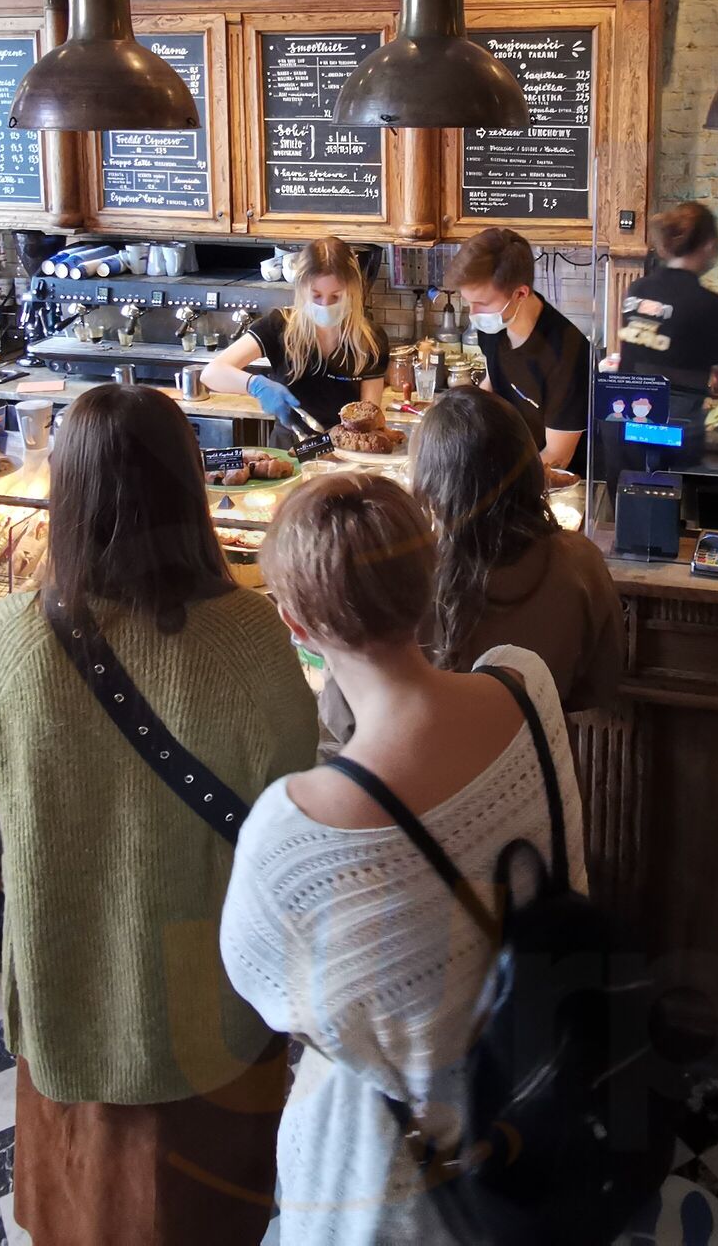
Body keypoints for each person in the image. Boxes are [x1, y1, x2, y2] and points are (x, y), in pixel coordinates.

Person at [0, 382, 320, 1246]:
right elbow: (286, 821)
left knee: (81, 1211)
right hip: (206, 1004)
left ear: (66, 492)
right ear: (188, 486)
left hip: (65, 981)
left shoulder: (9, 636)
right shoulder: (250, 636)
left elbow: (10, 794)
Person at [220, 474, 586, 1245]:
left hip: (391, 1179)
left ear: (294, 622)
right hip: (545, 1098)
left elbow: (265, 990)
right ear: (429, 581)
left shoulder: (293, 830)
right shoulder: (526, 686)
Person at [317, 387, 623, 740]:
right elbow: (600, 684)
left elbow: (343, 717)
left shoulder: (400, 574)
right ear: (530, 467)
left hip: (424, 769)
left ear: (431, 485)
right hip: (536, 760)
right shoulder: (580, 561)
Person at [205, 235, 387, 433]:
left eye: (336, 297)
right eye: (316, 295)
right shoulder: (280, 325)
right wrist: (256, 385)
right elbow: (212, 373)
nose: (325, 305)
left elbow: (369, 418)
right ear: (301, 290)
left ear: (352, 292)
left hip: (345, 446)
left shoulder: (370, 340)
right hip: (289, 444)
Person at [449, 225, 590, 478]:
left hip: (551, 482)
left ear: (520, 294)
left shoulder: (567, 353)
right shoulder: (494, 327)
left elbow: (558, 456)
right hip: (509, 460)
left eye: (481, 303)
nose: (473, 314)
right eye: (468, 302)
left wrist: (497, 484)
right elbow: (493, 382)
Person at [614, 200, 718, 391]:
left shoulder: (637, 289)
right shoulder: (712, 306)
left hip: (624, 405)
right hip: (680, 410)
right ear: (710, 245)